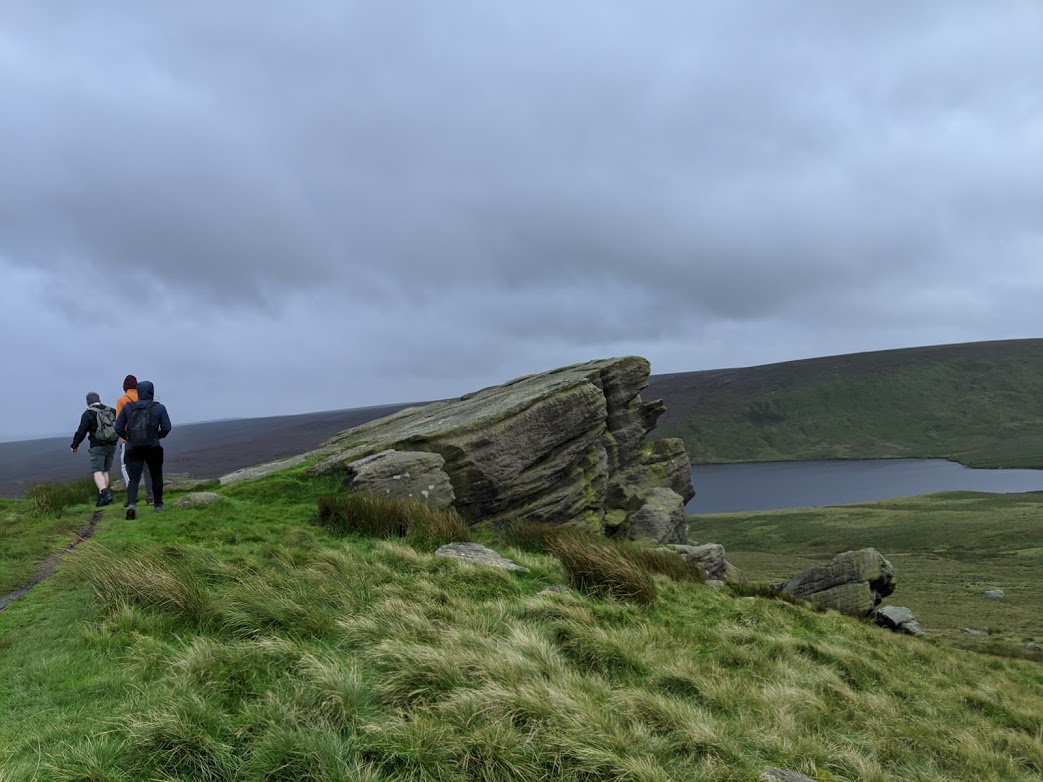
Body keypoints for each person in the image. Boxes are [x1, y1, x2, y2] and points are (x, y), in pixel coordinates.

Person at [114, 380, 172, 520]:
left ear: (138, 392)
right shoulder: (159, 408)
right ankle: (158, 505)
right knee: (156, 475)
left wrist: (129, 438)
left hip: (133, 448)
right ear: (152, 391)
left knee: (133, 478)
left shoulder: (128, 407)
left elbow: (118, 428)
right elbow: (167, 428)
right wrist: (157, 437)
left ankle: (131, 505)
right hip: (153, 447)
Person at [70, 392, 118, 507]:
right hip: (112, 444)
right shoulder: (112, 410)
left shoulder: (88, 413)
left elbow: (81, 431)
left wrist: (74, 445)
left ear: (88, 402)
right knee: (105, 470)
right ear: (98, 399)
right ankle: (103, 497)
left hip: (97, 446)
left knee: (97, 470)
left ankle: (104, 493)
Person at [115, 374, 153, 506]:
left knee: (126, 467)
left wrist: (125, 437)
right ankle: (151, 496)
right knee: (147, 468)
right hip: (147, 438)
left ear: (124, 387)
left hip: (129, 440)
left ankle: (132, 496)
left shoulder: (122, 400)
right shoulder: (146, 399)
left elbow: (119, 422)